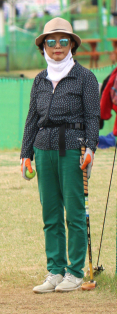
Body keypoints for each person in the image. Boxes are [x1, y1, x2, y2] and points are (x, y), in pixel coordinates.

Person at [20, 17, 100, 293]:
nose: (57, 46)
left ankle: (75, 272)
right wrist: (25, 154)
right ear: (43, 46)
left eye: (63, 41)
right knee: (50, 214)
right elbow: (32, 119)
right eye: (51, 42)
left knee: (74, 213)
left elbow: (93, 117)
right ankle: (55, 270)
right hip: (43, 148)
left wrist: (90, 149)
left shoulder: (86, 77)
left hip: (73, 149)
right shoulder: (40, 79)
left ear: (71, 45)